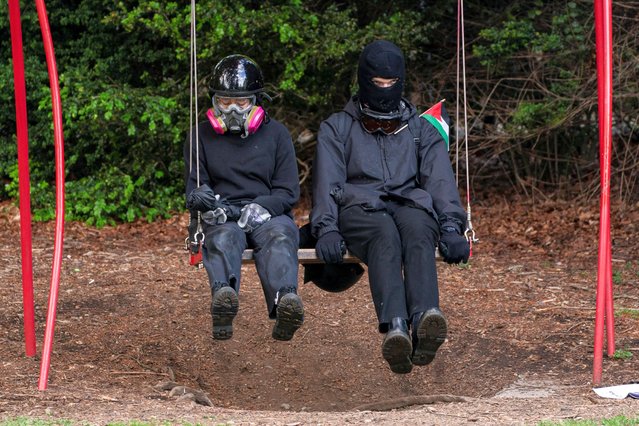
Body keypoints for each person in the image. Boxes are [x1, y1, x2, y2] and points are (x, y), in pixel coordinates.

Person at [310, 40, 470, 374]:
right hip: (358, 206)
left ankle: (425, 318)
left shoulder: (420, 128)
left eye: (390, 83)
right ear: (363, 80)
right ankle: (395, 326)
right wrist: (326, 228)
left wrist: (453, 225)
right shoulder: (338, 127)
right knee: (384, 234)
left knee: (418, 228)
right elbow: (327, 182)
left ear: (401, 81)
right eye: (377, 83)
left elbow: (438, 180)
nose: (384, 90)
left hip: (408, 201)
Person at [184, 54, 304, 342]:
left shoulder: (277, 134)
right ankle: (223, 298)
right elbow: (195, 188)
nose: (233, 110)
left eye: (242, 102)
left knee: (281, 235)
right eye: (225, 102)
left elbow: (288, 191)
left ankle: (285, 300)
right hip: (223, 213)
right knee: (223, 237)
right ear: (214, 102)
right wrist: (202, 200)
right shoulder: (199, 135)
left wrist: (262, 207)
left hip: (267, 214)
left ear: (257, 101)